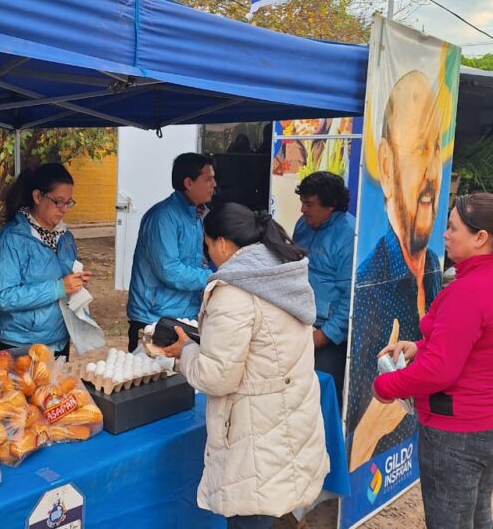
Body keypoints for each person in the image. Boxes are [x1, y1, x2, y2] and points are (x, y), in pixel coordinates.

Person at [163, 203, 328, 529]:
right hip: (286, 423)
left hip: (256, 440)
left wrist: (185, 352)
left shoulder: (235, 292)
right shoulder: (283, 274)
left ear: (223, 243)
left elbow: (217, 377)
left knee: (249, 519)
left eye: (208, 246)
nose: (209, 255)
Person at [372, 193, 493, 529]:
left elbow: (440, 370)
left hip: (455, 433)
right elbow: (476, 343)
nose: (444, 234)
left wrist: (385, 386)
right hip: (484, 424)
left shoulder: (466, 292)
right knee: (479, 515)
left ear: (480, 237)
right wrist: (422, 345)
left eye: (453, 228)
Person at [348, 70, 445, 469]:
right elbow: (353, 431)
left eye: (436, 147)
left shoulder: (434, 264)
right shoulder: (370, 285)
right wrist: (374, 424)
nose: (433, 171)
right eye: (418, 147)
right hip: (378, 471)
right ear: (386, 165)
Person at [0, 163, 90, 360]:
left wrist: (76, 284)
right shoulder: (11, 238)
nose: (63, 210)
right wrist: (59, 288)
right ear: (37, 196)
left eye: (68, 202)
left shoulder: (65, 237)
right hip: (20, 345)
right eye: (57, 202)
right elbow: (3, 296)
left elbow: (63, 285)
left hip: (59, 341)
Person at [126, 153, 215, 352]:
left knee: (179, 380)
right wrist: (212, 277)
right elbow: (170, 271)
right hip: (153, 317)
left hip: (182, 314)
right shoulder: (163, 217)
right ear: (189, 183)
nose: (214, 184)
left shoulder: (197, 214)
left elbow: (195, 261)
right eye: (208, 179)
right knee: (151, 378)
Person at [293, 171, 355, 406]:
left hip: (326, 335)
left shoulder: (349, 235)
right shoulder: (303, 225)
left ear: (331, 206)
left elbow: (349, 298)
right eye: (302, 203)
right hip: (298, 322)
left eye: (309, 204)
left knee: (320, 398)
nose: (302, 210)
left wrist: (324, 336)